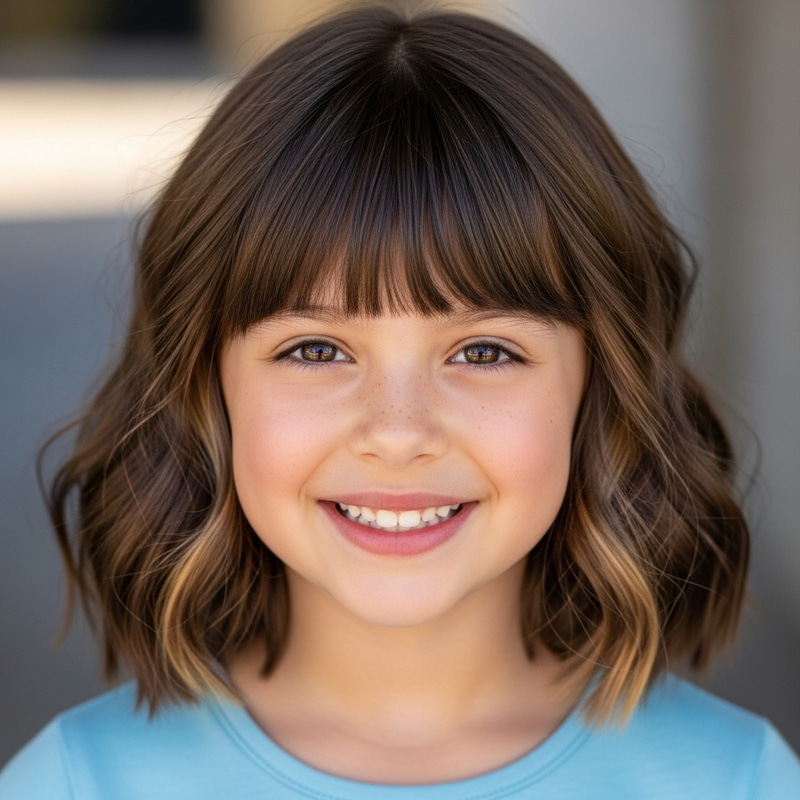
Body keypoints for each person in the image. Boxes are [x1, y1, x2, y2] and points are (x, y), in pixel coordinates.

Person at [1, 4, 798, 798]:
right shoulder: (77, 784)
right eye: (315, 350)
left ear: (601, 388)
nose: (398, 433)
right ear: (206, 386)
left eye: (485, 352)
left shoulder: (741, 780)